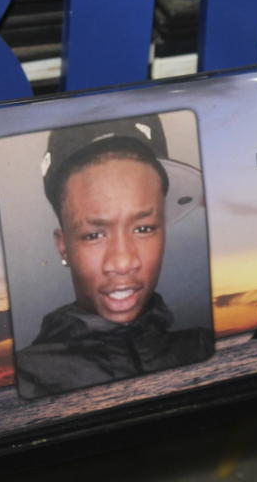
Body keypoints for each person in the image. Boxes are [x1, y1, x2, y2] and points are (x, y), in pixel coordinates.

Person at [16, 115, 214, 398]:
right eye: (94, 235)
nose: (123, 262)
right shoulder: (27, 380)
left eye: (144, 228)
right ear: (63, 247)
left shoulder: (202, 349)